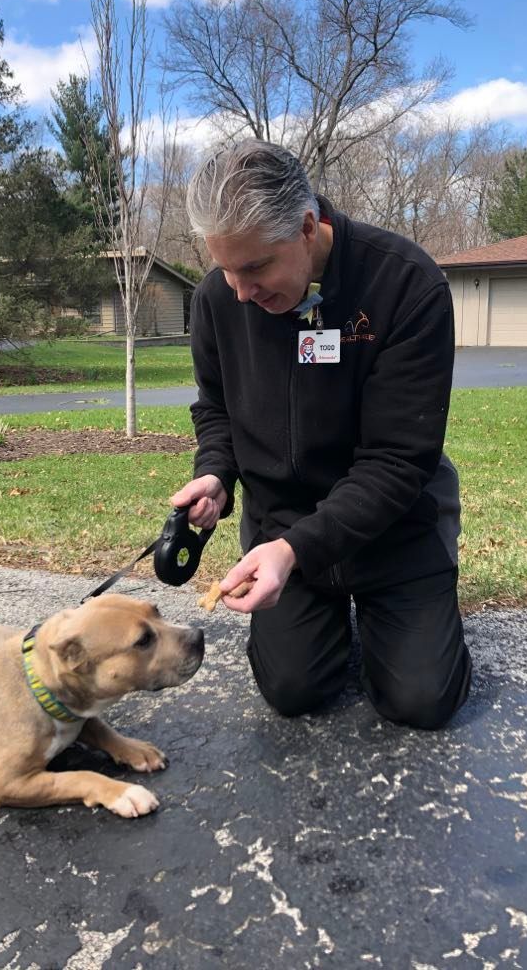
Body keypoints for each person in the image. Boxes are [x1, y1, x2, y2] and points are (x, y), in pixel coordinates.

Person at [170, 139, 471, 729]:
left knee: (421, 701)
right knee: (293, 689)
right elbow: (217, 408)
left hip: (393, 527)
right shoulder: (218, 300)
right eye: (224, 267)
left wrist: (296, 552)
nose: (239, 292)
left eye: (254, 267)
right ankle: (325, 615)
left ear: (308, 227)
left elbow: (397, 462)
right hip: (282, 522)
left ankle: (414, 616)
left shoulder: (405, 285)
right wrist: (216, 472)